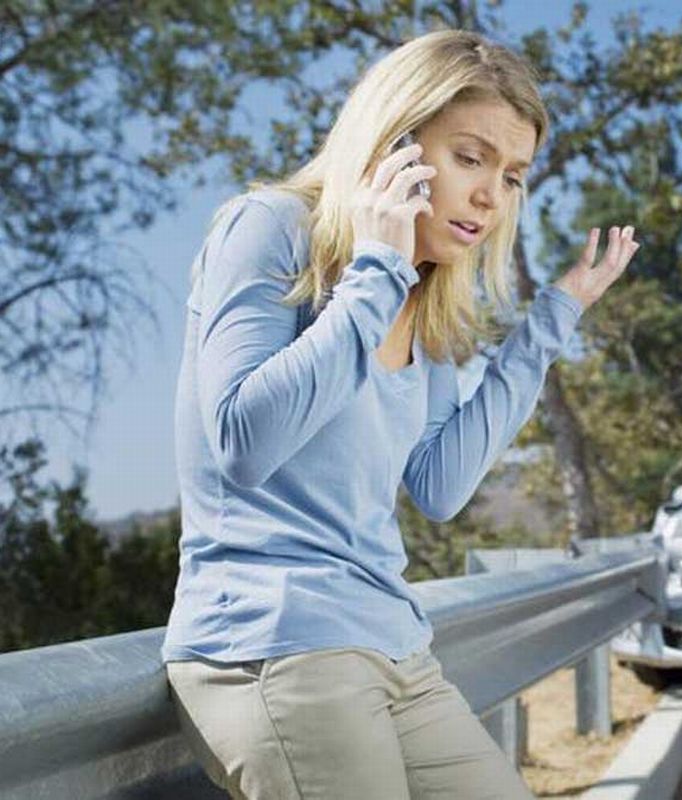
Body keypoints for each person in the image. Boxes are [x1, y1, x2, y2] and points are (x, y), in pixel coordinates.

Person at [161, 29, 640, 800]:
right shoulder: (273, 230)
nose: (491, 197)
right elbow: (242, 444)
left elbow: (442, 486)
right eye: (470, 157)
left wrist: (555, 317)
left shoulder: (426, 294)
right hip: (276, 646)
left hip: (396, 650)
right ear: (394, 143)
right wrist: (376, 271)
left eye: (513, 176)